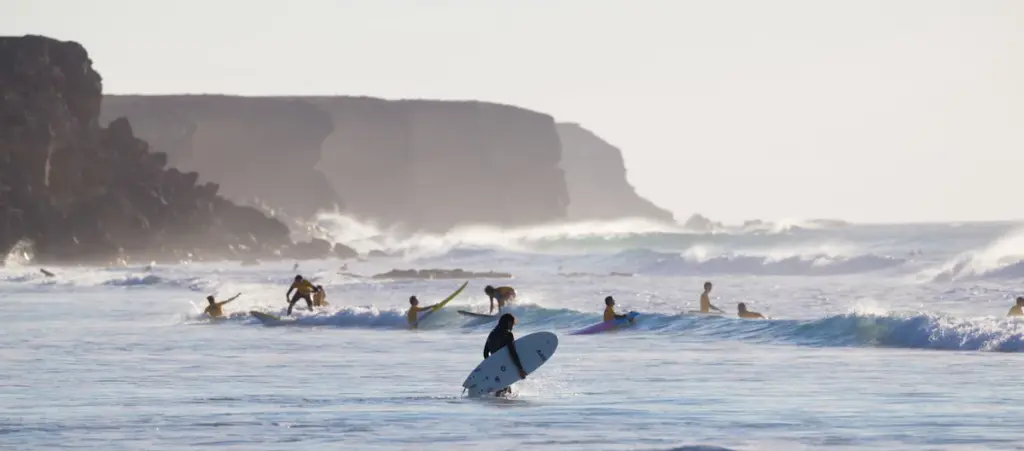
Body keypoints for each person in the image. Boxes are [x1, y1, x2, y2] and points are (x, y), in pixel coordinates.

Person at [483, 313, 527, 397]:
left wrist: (490, 365)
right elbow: (512, 353)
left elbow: (485, 353)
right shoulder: (508, 335)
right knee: (505, 391)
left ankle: (497, 405)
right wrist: (520, 369)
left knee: (501, 389)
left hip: (495, 366)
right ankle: (501, 406)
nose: (512, 326)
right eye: (512, 324)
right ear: (509, 323)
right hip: (505, 366)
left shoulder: (492, 334)